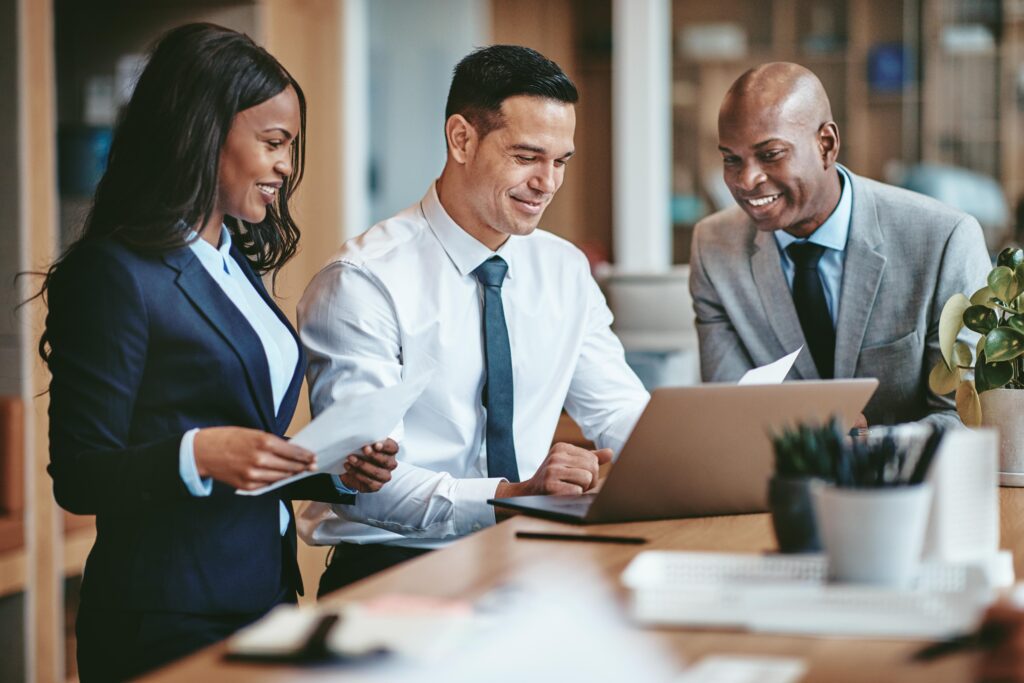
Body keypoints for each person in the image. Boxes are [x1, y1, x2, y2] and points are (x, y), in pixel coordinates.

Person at [40, 24, 397, 681]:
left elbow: (245, 453)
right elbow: (81, 472)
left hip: (264, 597)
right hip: (164, 618)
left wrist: (333, 471)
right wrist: (199, 451)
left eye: (290, 146)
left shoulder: (234, 266)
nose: (286, 167)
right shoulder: (115, 272)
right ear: (204, 131)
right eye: (273, 143)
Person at [297, 44, 650, 594]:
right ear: (461, 138)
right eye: (527, 156)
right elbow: (367, 486)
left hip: (532, 563)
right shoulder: (363, 281)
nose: (547, 183)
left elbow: (618, 410)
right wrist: (514, 496)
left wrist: (689, 461)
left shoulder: (564, 270)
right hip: (396, 574)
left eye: (560, 161)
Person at [689, 62, 990, 428]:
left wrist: (865, 448)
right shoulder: (713, 247)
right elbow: (730, 412)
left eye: (770, 154)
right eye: (731, 159)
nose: (746, 180)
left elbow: (963, 418)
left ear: (826, 145)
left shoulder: (944, 240)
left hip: (908, 482)